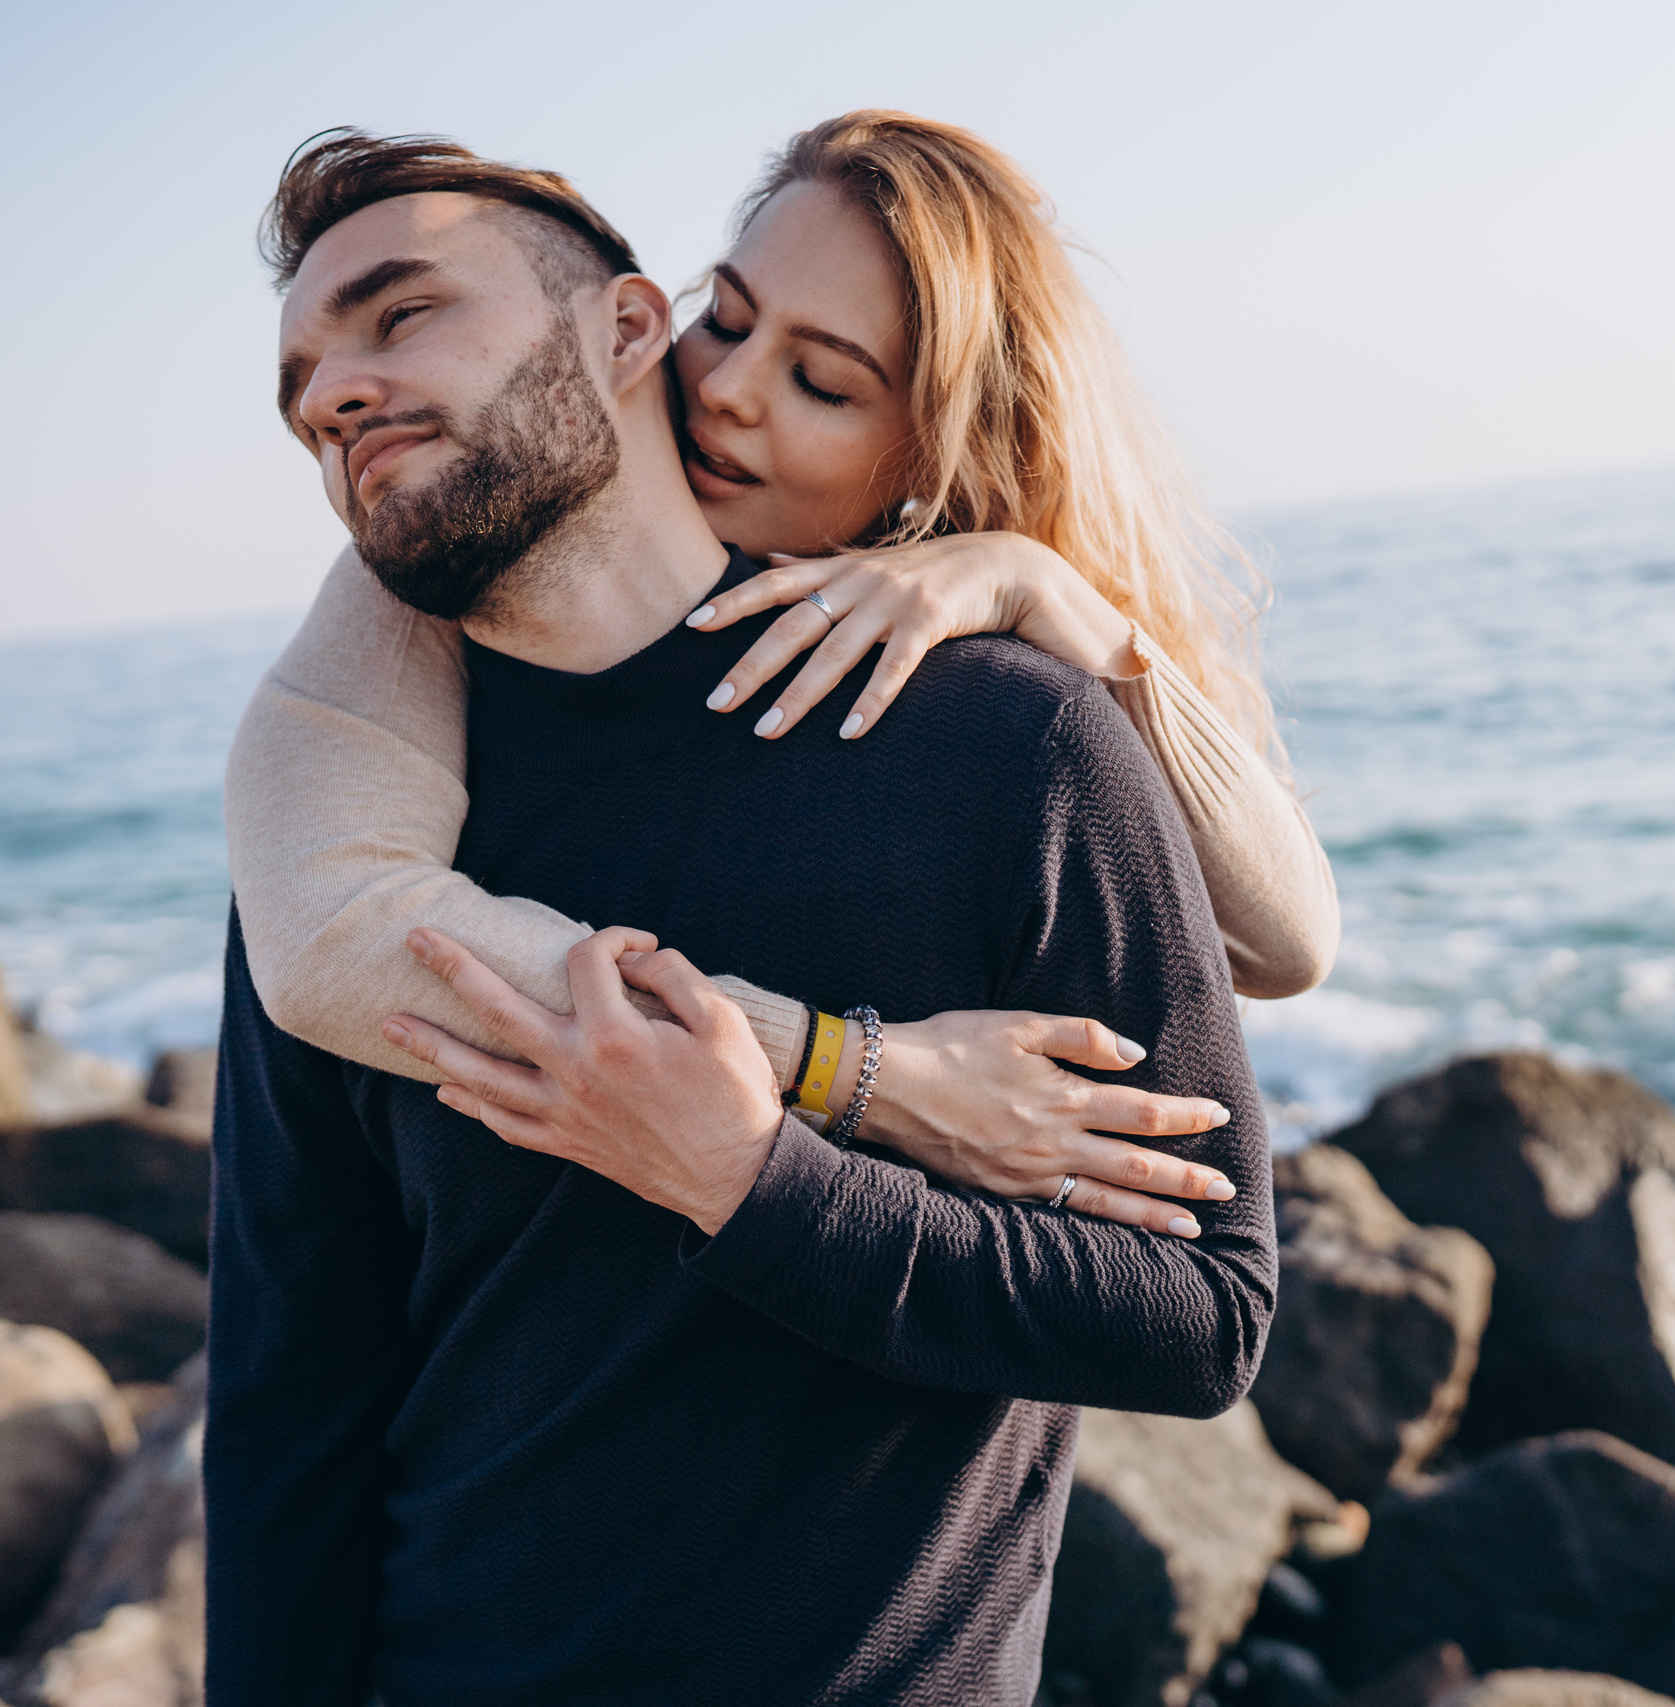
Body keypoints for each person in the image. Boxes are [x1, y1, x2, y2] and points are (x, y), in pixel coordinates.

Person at [208, 126, 1274, 1705]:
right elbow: (295, 1398)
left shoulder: (1002, 743)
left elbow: (1199, 1315)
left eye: (400, 311)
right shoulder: (363, 846)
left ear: (628, 327)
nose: (329, 389)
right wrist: (851, 1079)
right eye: (300, 371)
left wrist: (757, 1184)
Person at [226, 114, 1335, 1235]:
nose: (727, 390)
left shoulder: (1002, 717)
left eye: (820, 381)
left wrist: (1043, 590)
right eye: (730, 319)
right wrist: (853, 1073)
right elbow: (332, 931)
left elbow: (1284, 946)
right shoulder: (472, 521)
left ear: (931, 451)